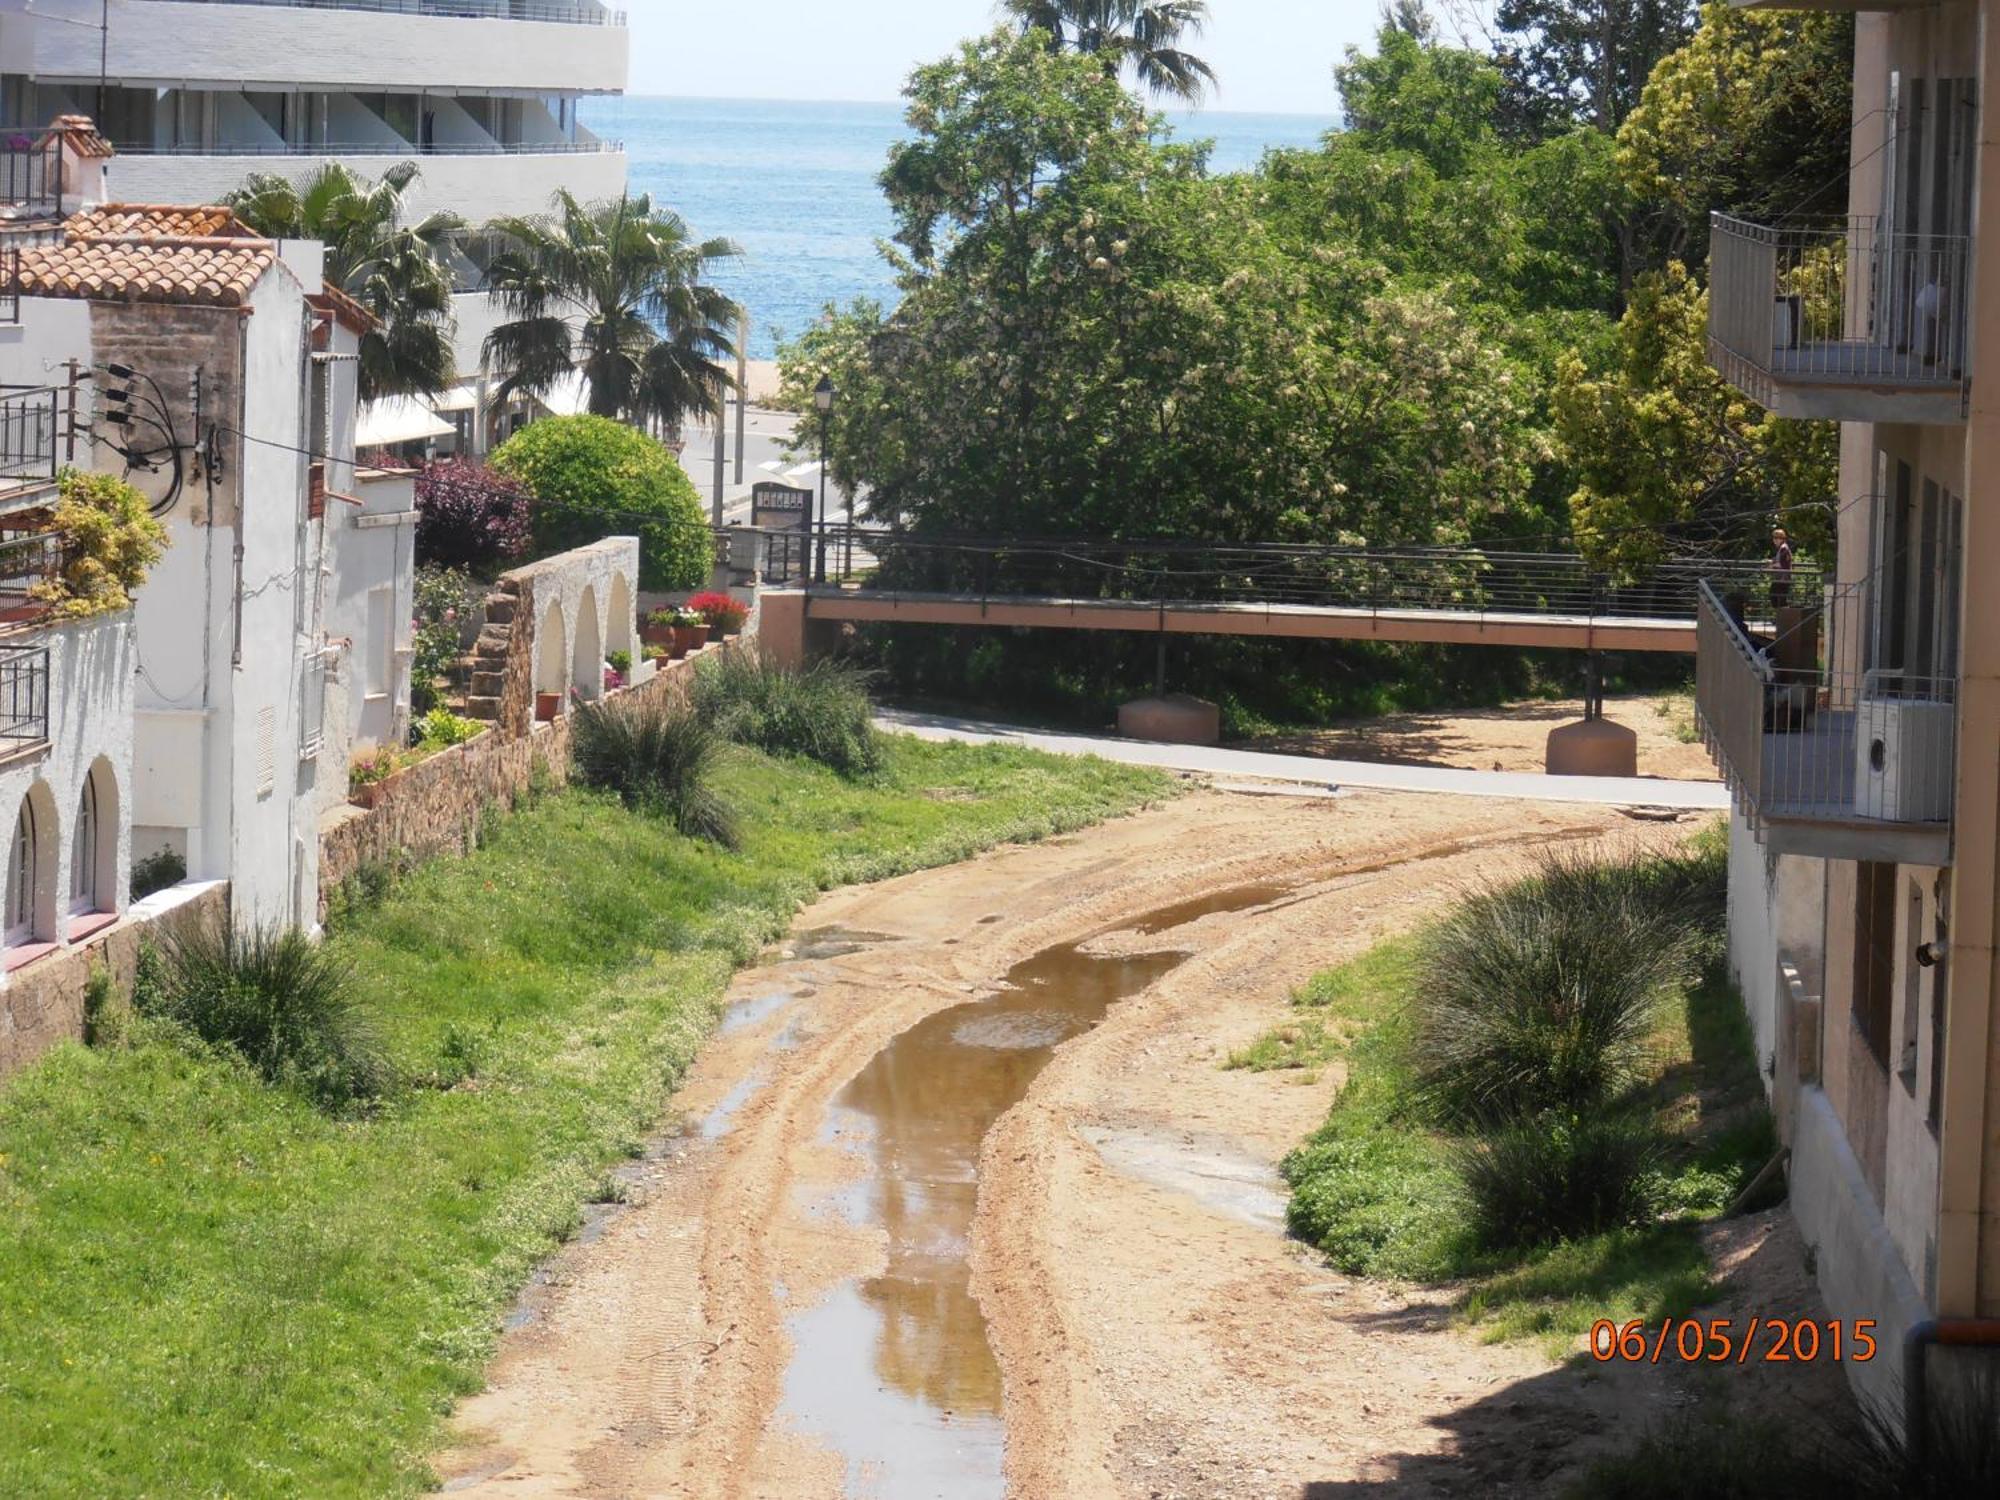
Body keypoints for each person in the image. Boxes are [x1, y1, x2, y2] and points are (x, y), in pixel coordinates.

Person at [1771, 527, 1794, 609]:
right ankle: (1780, 618)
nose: (1775, 540)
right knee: (1778, 599)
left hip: (1783, 578)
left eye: (1778, 538)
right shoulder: (1781, 548)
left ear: (1783, 539)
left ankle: (1783, 619)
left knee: (1778, 599)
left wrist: (1772, 565)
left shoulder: (1784, 548)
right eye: (1774, 538)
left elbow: (1783, 564)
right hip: (1780, 578)